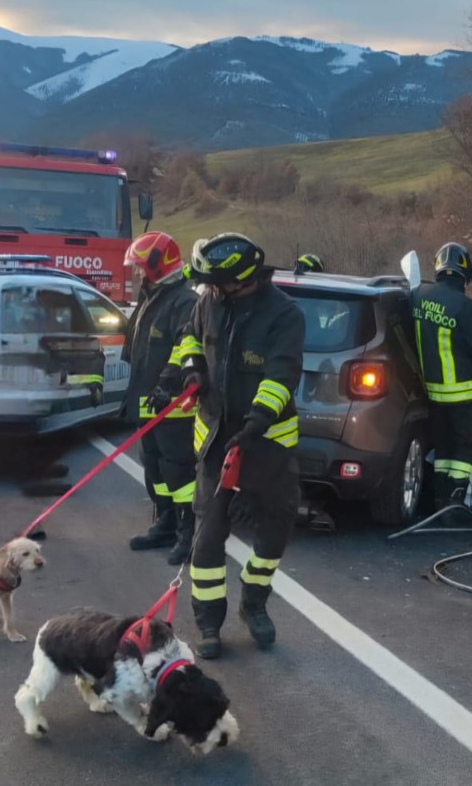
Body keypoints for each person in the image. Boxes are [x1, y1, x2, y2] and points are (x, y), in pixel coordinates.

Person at [153, 232, 305, 659]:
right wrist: (192, 371)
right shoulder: (209, 302)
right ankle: (207, 621)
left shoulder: (284, 316)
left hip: (268, 443)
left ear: (243, 279)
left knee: (274, 532)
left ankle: (254, 604)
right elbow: (189, 338)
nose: (211, 289)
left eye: (217, 282)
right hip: (216, 441)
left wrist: (256, 424)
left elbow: (282, 375)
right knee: (208, 538)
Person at [123, 232, 200, 565]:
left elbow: (186, 348)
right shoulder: (150, 297)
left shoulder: (184, 302)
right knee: (153, 466)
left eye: (140, 268)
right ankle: (165, 523)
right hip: (146, 398)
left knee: (178, 472)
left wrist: (168, 387)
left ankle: (188, 535)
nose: (137, 274)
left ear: (157, 267)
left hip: (173, 404)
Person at [410, 242, 472, 508]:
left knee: (444, 449)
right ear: (463, 273)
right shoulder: (465, 307)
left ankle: (438, 499)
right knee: (464, 449)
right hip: (462, 393)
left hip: (432, 393)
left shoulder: (418, 297)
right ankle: (455, 503)